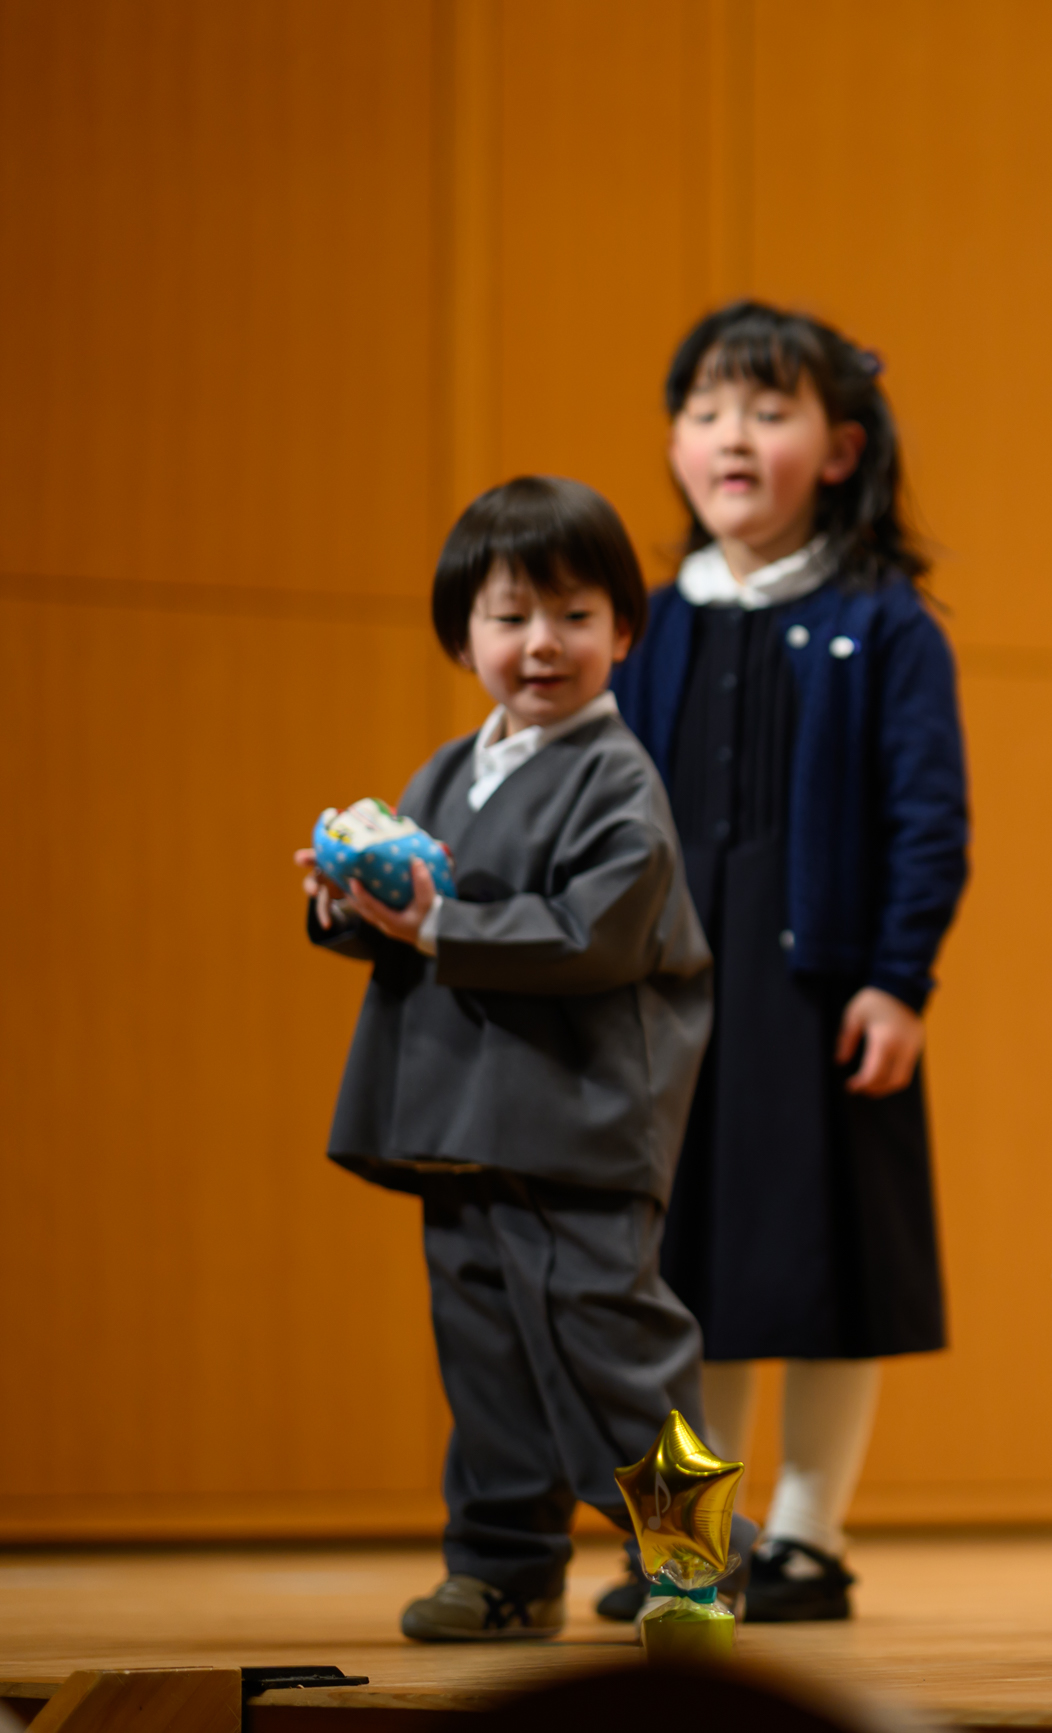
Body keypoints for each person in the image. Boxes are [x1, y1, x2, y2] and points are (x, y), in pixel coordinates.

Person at [297, 476, 750, 1641]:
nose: (540, 643)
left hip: (578, 1121)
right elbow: (412, 917)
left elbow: (596, 932)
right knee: (486, 1354)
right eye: (508, 616)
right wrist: (345, 903)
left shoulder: (616, 778)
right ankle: (503, 1567)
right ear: (464, 634)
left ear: (623, 631)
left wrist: (432, 924)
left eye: (573, 614)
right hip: (462, 1121)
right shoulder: (448, 769)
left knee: (615, 1347)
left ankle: (697, 1558)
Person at [598, 301, 971, 1624]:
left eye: (766, 409)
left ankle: (807, 1532)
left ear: (839, 446)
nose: (730, 435)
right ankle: (698, 1534)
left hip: (825, 995)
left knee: (825, 1265)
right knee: (682, 1266)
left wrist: (898, 977)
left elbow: (929, 819)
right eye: (704, 410)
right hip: (669, 1001)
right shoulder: (641, 627)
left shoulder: (886, 623)